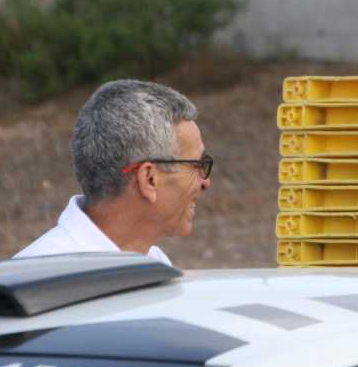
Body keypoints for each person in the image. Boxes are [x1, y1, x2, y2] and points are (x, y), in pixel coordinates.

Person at [15, 80, 213, 264]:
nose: (206, 182)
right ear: (149, 179)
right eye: (198, 165)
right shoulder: (41, 277)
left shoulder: (153, 261)